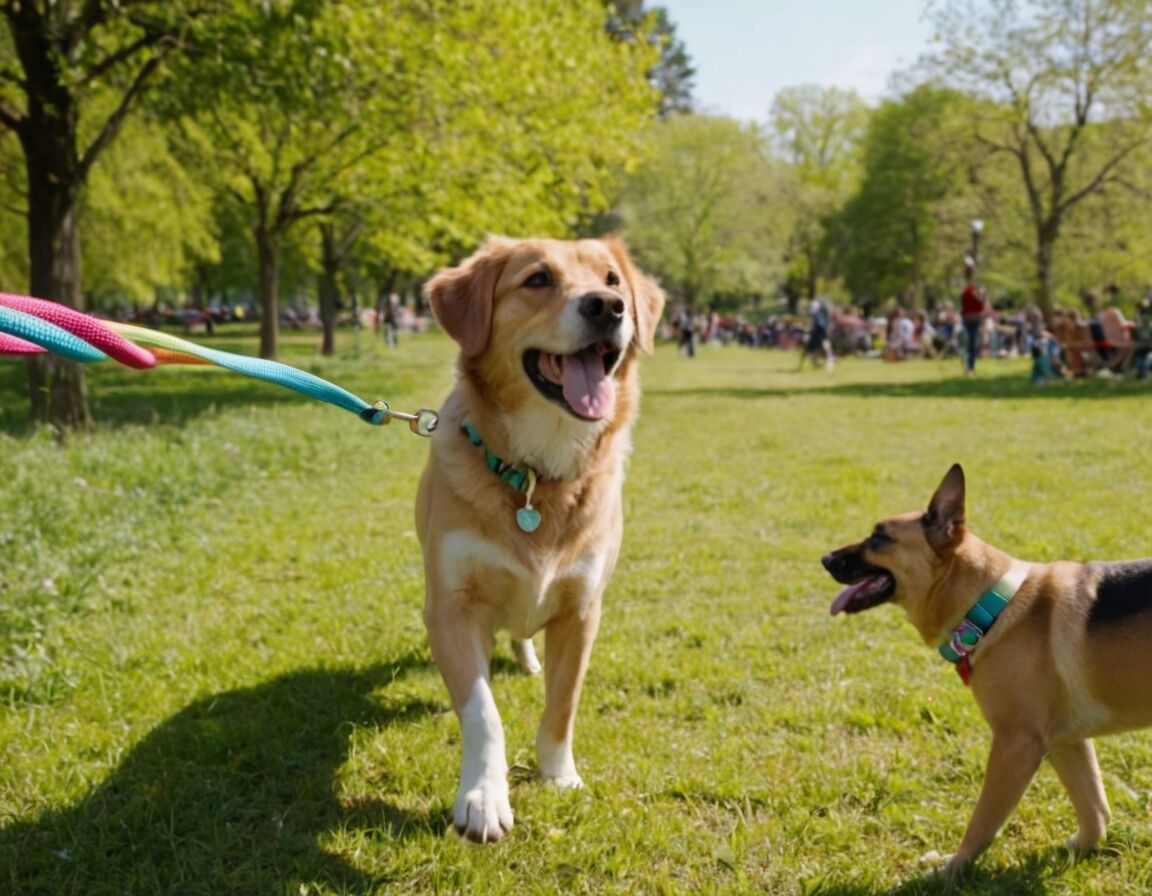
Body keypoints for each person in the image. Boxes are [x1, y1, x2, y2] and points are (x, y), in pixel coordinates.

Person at [960, 259, 988, 376]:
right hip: (969, 318)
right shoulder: (969, 290)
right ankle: (969, 366)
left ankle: (970, 367)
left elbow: (981, 303)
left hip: (972, 318)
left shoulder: (973, 290)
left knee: (971, 343)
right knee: (969, 343)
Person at [798, 297, 835, 370]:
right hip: (822, 331)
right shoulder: (823, 311)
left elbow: (817, 323)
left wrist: (810, 332)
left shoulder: (818, 311)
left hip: (818, 331)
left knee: (813, 347)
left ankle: (828, 360)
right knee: (823, 346)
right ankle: (827, 360)